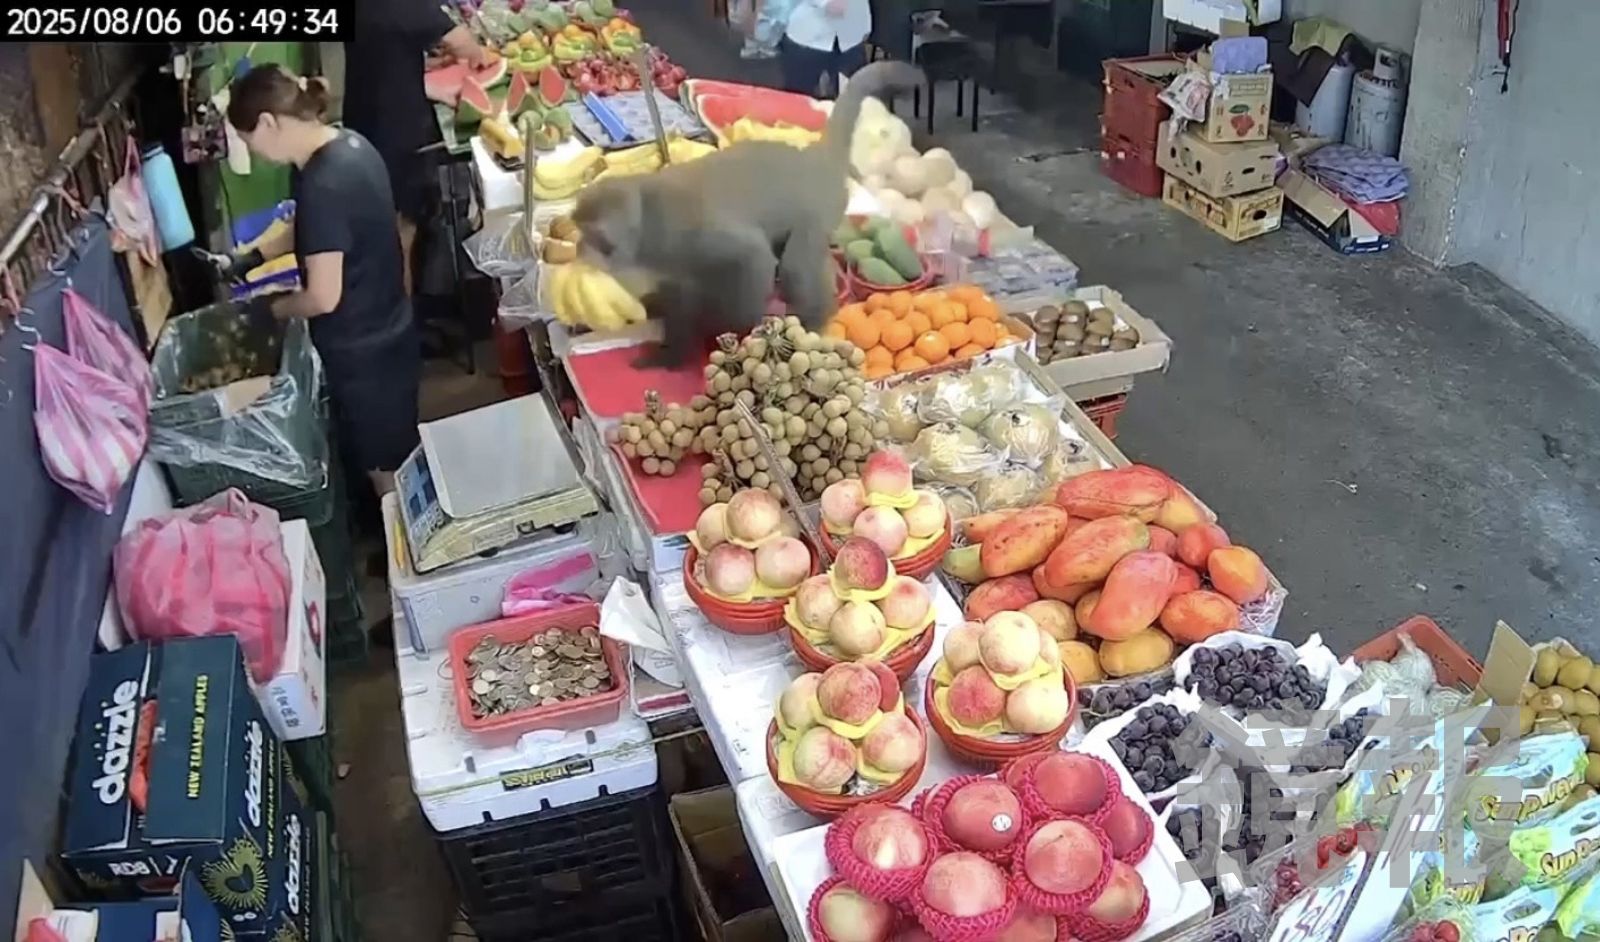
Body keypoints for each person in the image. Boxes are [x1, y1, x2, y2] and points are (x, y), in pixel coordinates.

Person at [224, 65, 421, 498]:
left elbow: (322, 296)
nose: (253, 153)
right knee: (399, 452)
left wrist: (271, 309)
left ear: (269, 123)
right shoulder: (350, 145)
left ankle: (408, 559)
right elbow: (317, 230)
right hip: (391, 329)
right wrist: (251, 258)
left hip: (364, 352)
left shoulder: (322, 182)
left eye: (248, 139)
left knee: (385, 471)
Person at [343, 0, 484, 293]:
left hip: (364, 118)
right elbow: (468, 48)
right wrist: (480, 56)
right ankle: (403, 315)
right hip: (394, 132)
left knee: (386, 223)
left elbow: (383, 57)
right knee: (400, 232)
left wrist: (425, 83)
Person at [781, 0, 871, 97]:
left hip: (850, 35)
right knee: (798, 100)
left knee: (859, 98)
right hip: (809, 36)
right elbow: (835, 7)